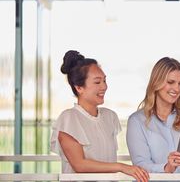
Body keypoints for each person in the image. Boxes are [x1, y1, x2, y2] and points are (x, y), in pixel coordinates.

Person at [50, 50, 149, 182]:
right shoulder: (68, 119)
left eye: (104, 80)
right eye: (97, 82)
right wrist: (122, 167)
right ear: (79, 87)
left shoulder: (110, 117)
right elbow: (80, 165)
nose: (104, 86)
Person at [126, 57, 180, 177]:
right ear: (156, 83)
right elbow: (140, 164)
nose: (177, 89)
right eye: (170, 82)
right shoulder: (136, 121)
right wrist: (167, 168)